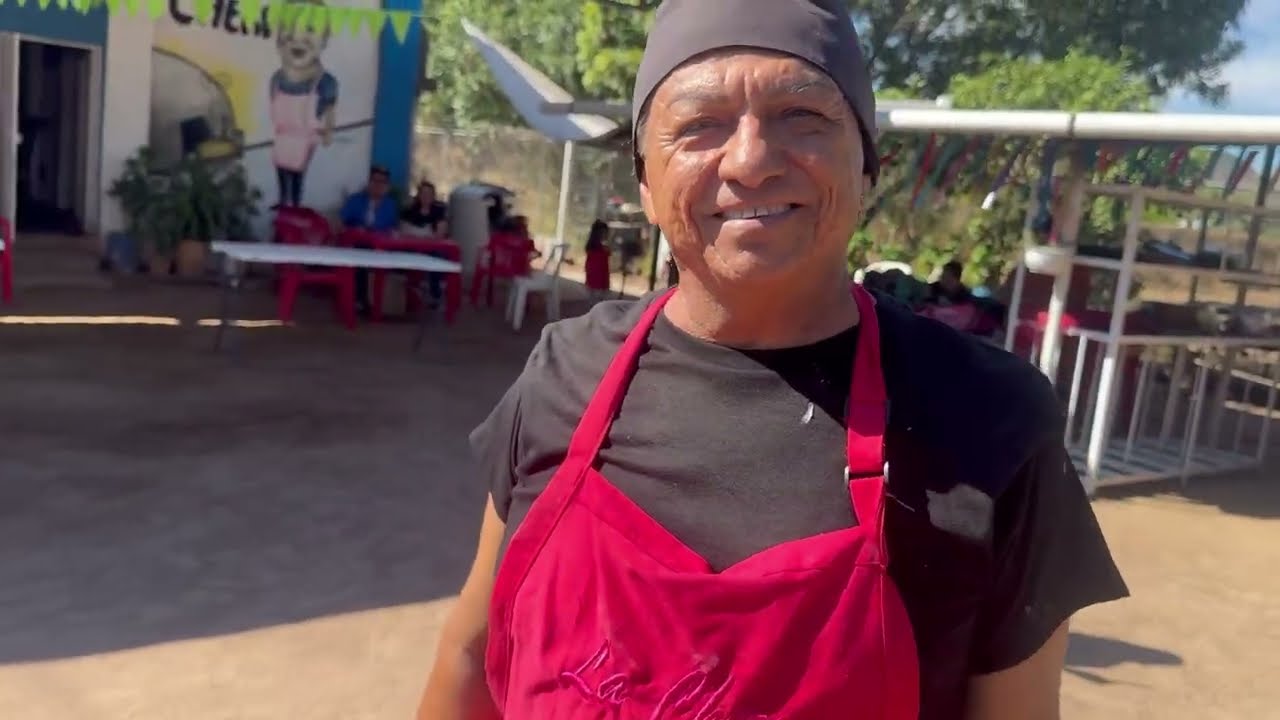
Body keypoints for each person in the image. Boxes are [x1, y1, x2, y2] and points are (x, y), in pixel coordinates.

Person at [417, 2, 1126, 719]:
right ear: (644, 182)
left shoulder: (988, 416)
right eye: (700, 125)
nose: (751, 160)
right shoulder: (562, 374)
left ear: (868, 160)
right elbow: (471, 654)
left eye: (802, 116)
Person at [339, 165, 399, 314]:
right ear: (369, 182)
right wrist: (354, 229)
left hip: (381, 246)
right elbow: (340, 224)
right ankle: (360, 301)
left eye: (382, 182)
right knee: (360, 258)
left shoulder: (390, 204)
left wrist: (391, 232)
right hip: (357, 245)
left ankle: (379, 302)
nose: (378, 185)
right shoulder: (355, 200)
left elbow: (394, 228)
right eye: (375, 181)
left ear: (387, 186)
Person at [401, 180, 450, 306]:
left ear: (433, 196)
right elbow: (403, 230)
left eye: (429, 194)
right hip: (412, 247)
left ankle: (435, 295)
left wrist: (417, 233)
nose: (425, 196)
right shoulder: (410, 210)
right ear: (418, 195)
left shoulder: (439, 210)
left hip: (432, 248)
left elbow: (440, 234)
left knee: (438, 256)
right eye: (423, 193)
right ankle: (409, 291)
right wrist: (425, 233)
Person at [583, 219, 612, 301]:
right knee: (598, 300)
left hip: (593, 280)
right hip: (599, 280)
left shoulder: (591, 247)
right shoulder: (602, 249)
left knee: (593, 301)